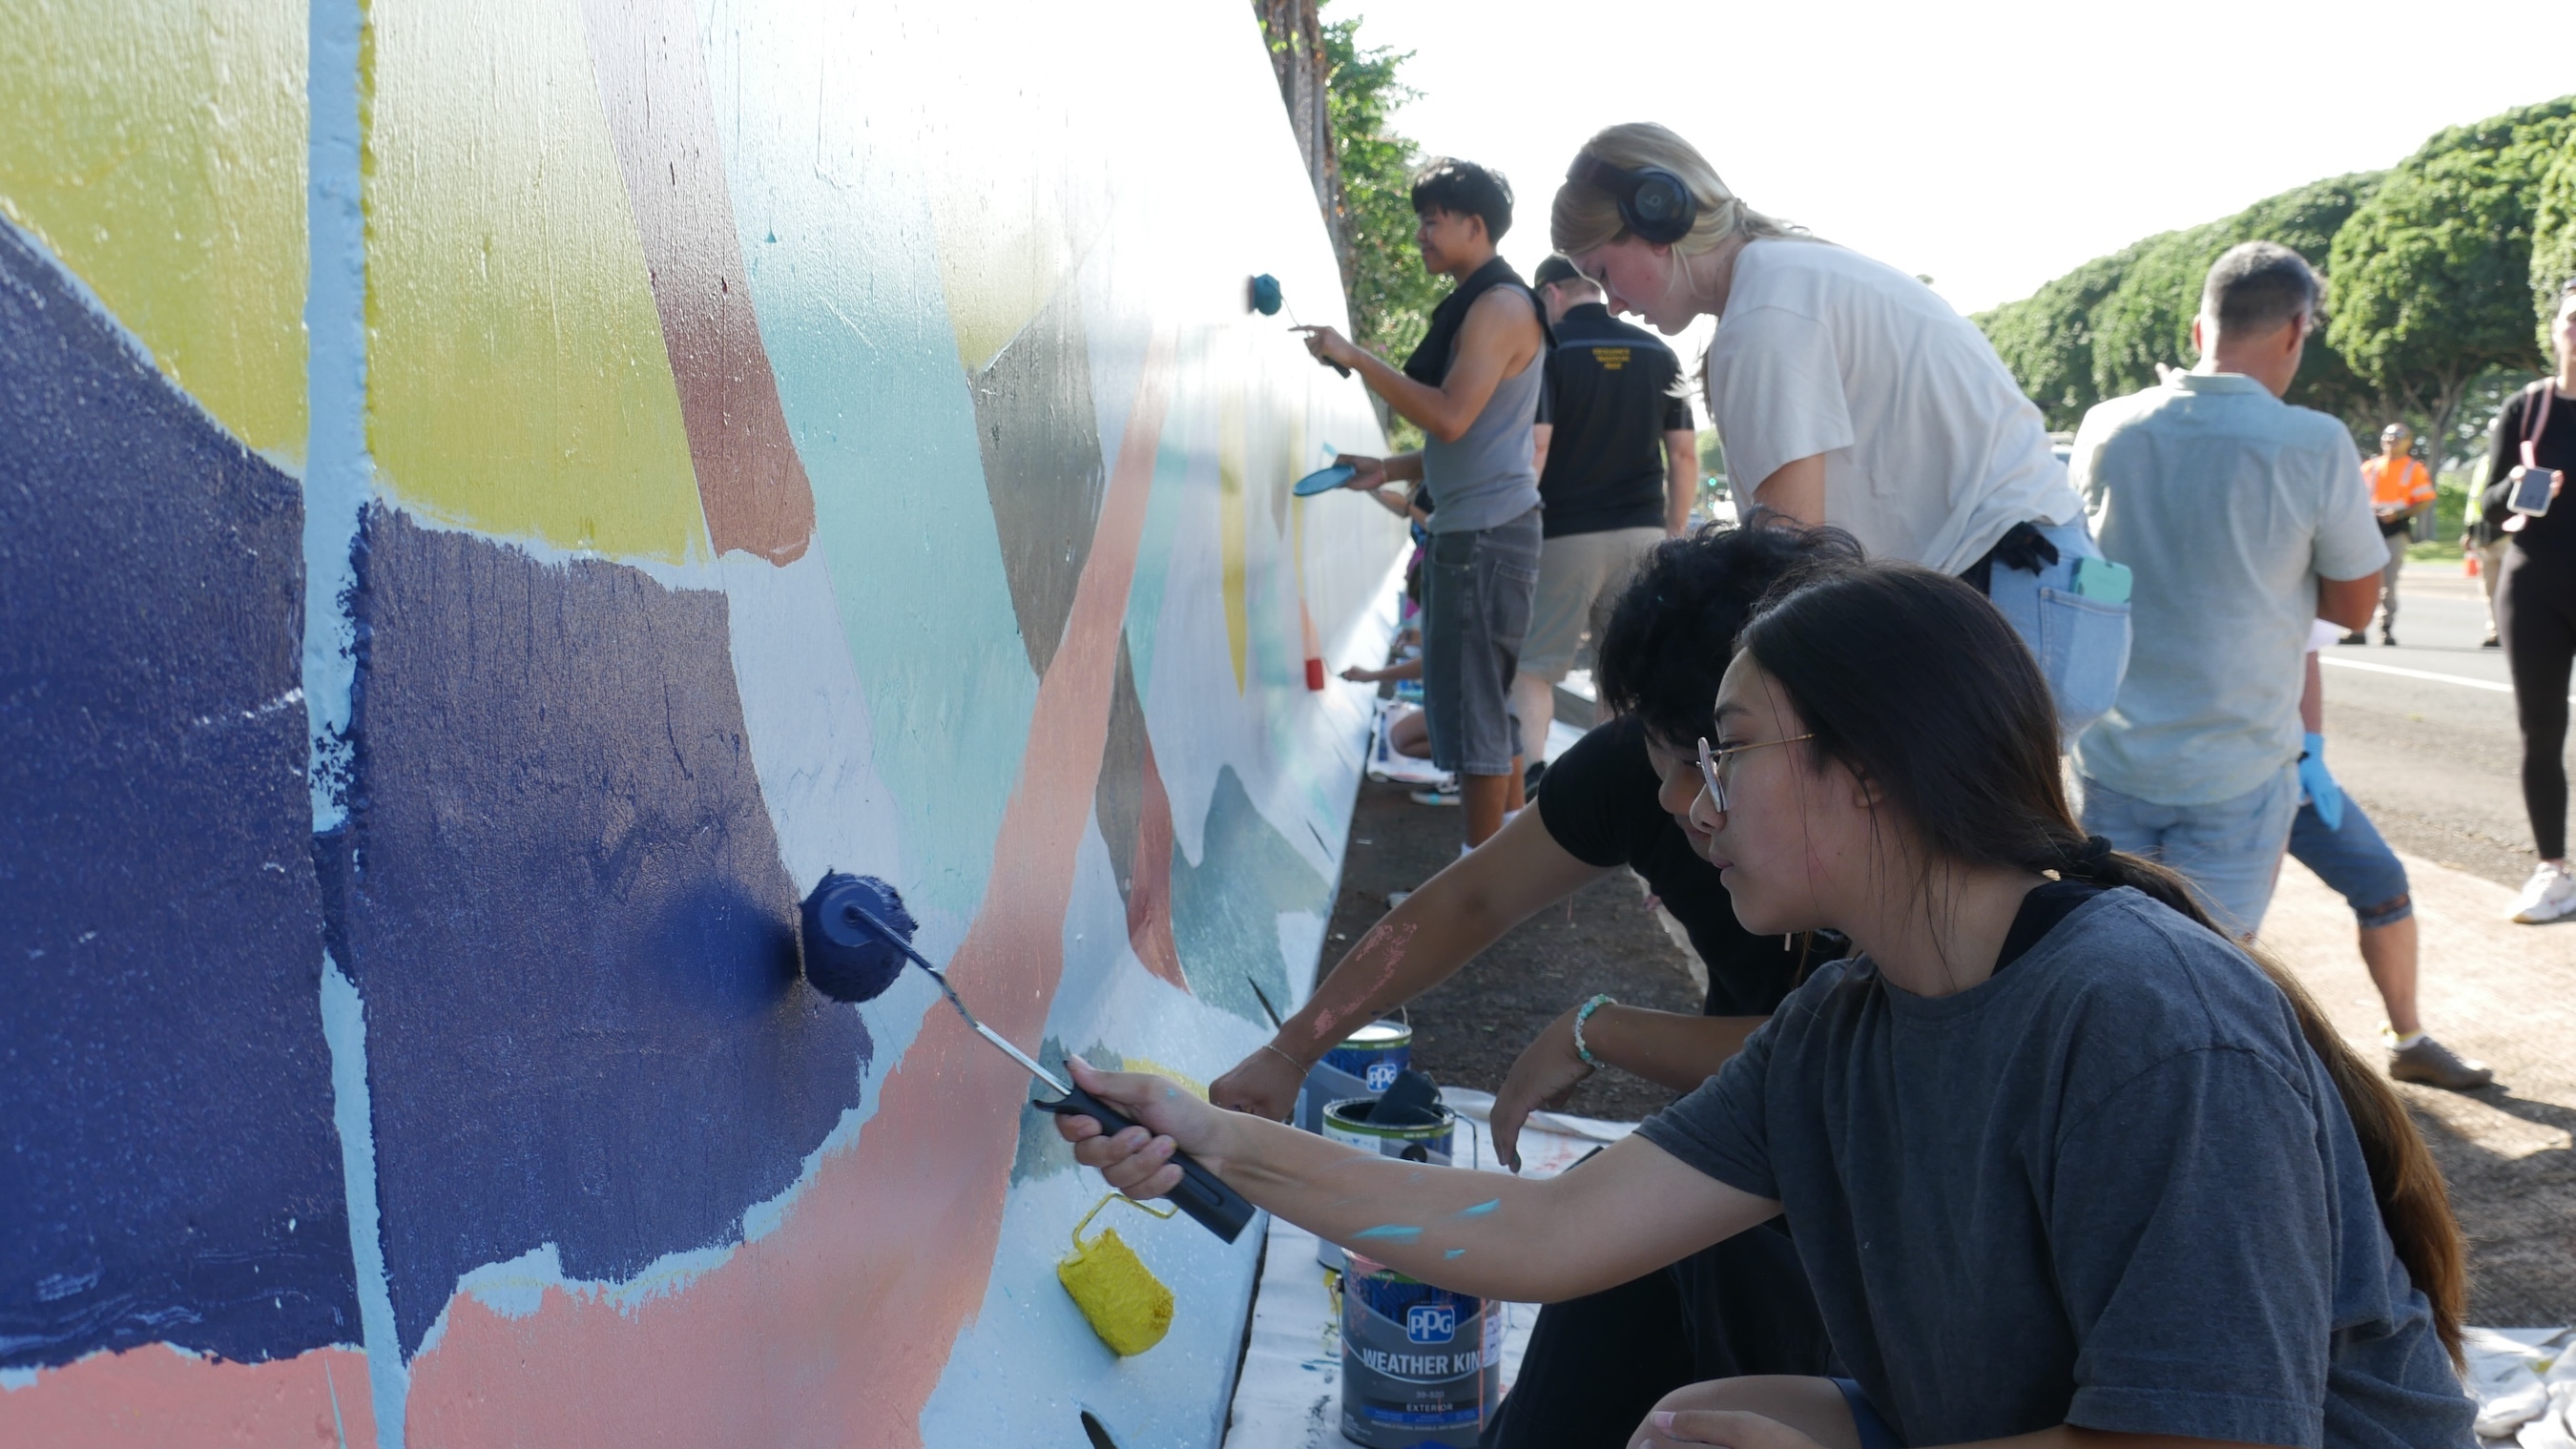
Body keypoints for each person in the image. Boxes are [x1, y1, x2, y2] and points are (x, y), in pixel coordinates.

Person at [1067, 561, 2472, 1449]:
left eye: (1729, 753)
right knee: (1693, 1420)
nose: (1696, 807)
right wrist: (1218, 1137)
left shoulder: (2145, 1024)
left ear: (1872, 768)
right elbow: (1548, 1230)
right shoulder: (1845, 1023)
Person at [1211, 521, 1856, 1449]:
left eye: (1722, 761)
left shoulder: (1947, 967)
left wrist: (1602, 1029)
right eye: (1676, 760)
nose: (1689, 805)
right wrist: (1283, 1058)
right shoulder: (1670, 787)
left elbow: (1835, 1061)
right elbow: (1468, 898)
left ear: (1849, 757)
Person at [1548, 121, 2130, 739]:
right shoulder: (1786, 278)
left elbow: (1789, 567)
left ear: (1657, 221)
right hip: (2042, 588)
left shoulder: (1764, 313)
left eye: (1604, 273)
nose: (1612, 302)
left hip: (2010, 594)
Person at [2071, 242, 2383, 938]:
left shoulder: (2106, 426)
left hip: (2110, 757)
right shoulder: (2314, 442)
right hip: (2235, 770)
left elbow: (2082, 573)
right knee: (2210, 972)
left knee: (2103, 955)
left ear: (2198, 330)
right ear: (2297, 329)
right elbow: (2356, 606)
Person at [1298, 159, 1548, 848]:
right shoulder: (1487, 302)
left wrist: (1355, 356)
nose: (1420, 234)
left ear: (1475, 226)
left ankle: (1476, 880)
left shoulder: (1498, 307)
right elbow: (1475, 436)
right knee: (1485, 712)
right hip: (1486, 531)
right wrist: (1387, 468)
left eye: (1432, 221)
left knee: (1473, 720)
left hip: (1483, 537)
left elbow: (1450, 417)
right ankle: (1496, 870)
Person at [1510, 254, 1700, 789]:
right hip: (1642, 534)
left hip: (1565, 533)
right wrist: (1673, 532)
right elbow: (1684, 455)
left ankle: (1534, 776)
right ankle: (1611, 787)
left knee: (1534, 668)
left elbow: (1537, 445)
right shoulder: (1659, 352)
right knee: (1617, 672)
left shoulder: (1549, 350)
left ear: (1551, 294)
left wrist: (1516, 520)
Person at [2291, 623, 2493, 1088]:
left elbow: (2306, 650)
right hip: (2205, 779)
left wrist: (2310, 748)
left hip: (2289, 769)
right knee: (2215, 918)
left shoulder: (2277, 581)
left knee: (2381, 881)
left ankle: (2410, 1043)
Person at [2480, 278, 2576, 923]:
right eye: (2573, 318)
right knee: (2541, 730)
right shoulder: (2528, 408)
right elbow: (2489, 507)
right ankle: (2553, 871)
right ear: (2555, 329)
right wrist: (2515, 485)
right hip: (2535, 583)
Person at [2348, 422, 2435, 646]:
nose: (2391, 440)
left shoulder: (2414, 469)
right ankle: (2357, 629)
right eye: (2387, 435)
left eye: (2397, 436)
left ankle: (2385, 628)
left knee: (2387, 582)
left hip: (2395, 530)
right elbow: (2353, 495)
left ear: (2408, 442)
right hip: (2368, 528)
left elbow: (2425, 500)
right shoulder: (2370, 467)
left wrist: (2398, 514)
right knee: (2361, 579)